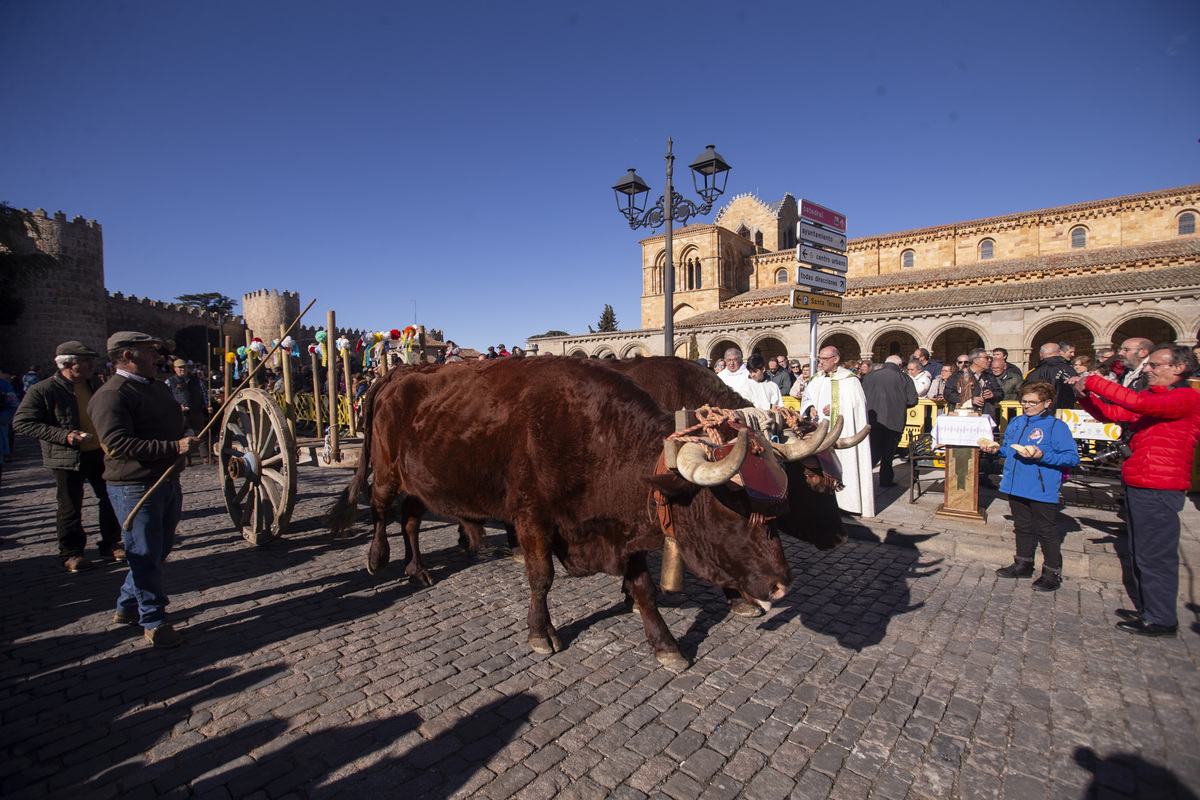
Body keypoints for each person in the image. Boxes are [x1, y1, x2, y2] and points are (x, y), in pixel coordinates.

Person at [1070, 345, 1200, 637]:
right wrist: (1086, 398)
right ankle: (1148, 608)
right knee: (1140, 551)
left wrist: (1092, 380)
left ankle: (1161, 618)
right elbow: (1115, 413)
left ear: (1178, 368)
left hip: (1159, 484)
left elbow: (1139, 405)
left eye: (1155, 365)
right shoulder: (1155, 398)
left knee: (1155, 554)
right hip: (1140, 480)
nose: (1148, 370)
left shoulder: (1186, 397)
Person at [89, 331, 199, 649]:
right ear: (128, 355)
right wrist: (174, 445)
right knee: (144, 554)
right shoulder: (112, 394)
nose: (157, 356)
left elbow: (172, 423)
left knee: (155, 551)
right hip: (135, 486)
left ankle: (126, 606)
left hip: (166, 480)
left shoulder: (156, 388)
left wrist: (186, 430)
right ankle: (153, 620)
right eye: (149, 351)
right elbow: (116, 444)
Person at [12, 341, 123, 571]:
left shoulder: (94, 384)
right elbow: (22, 423)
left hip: (98, 453)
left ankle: (111, 543)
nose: (92, 365)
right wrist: (64, 436)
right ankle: (72, 553)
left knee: (110, 498)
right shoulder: (44, 389)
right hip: (67, 457)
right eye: (86, 361)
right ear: (70, 364)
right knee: (70, 506)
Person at [980, 381, 1080, 592]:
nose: (1027, 406)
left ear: (1047, 403)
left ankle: (1052, 572)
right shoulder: (1016, 422)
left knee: (1046, 530)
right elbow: (1008, 449)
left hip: (1041, 486)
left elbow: (1071, 458)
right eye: (1024, 401)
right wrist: (996, 450)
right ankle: (1023, 563)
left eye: (1033, 402)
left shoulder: (1056, 427)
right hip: (1015, 484)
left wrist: (1043, 456)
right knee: (1022, 526)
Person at [800, 346, 873, 517]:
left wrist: (834, 408)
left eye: (825, 359)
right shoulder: (817, 378)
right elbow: (807, 397)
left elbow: (857, 405)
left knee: (844, 463)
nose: (821, 362)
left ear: (836, 359)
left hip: (840, 433)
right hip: (819, 432)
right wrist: (810, 407)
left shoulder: (849, 379)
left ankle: (847, 502)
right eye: (820, 359)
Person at [864, 355, 918, 487]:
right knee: (888, 452)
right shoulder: (905, 378)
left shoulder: (870, 376)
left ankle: (862, 478)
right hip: (894, 421)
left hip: (873, 420)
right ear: (899, 365)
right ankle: (885, 480)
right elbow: (912, 400)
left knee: (873, 450)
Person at [945, 349, 1003, 417]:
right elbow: (948, 394)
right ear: (976, 360)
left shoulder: (989, 376)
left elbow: (1000, 393)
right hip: (964, 417)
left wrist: (992, 395)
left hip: (986, 416)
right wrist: (969, 400)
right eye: (986, 358)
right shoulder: (958, 376)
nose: (989, 360)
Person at [1026, 342, 1075, 411]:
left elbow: (1024, 393)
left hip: (1042, 414)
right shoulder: (1069, 370)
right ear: (1059, 353)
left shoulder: (1034, 373)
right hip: (1066, 413)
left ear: (1041, 354)